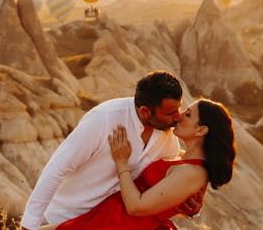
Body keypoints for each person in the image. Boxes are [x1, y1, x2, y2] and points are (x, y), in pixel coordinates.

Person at [20, 71, 198, 229]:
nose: (178, 117)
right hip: (64, 219)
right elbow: (56, 169)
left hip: (111, 224)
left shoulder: (168, 137)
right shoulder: (104, 119)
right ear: (145, 112)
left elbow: (159, 193)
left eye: (178, 109)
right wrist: (29, 225)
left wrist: (186, 206)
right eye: (170, 113)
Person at [49, 98, 236, 229]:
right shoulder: (181, 157)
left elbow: (136, 207)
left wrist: (121, 162)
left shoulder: (193, 172)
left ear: (201, 130)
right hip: (108, 217)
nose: (179, 116)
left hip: (121, 224)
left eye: (187, 114)